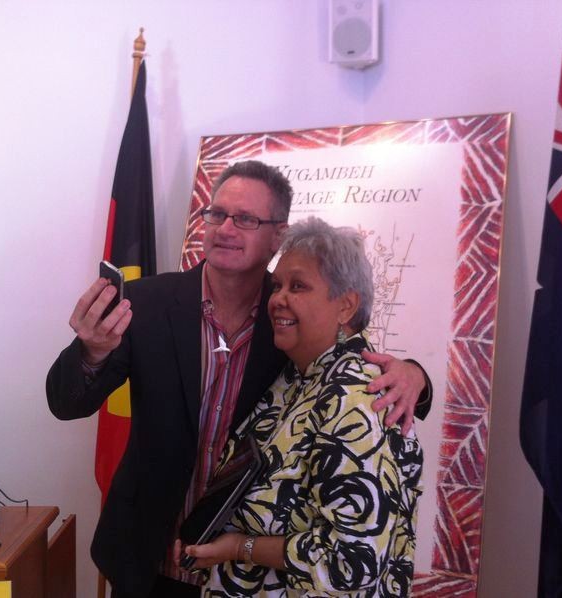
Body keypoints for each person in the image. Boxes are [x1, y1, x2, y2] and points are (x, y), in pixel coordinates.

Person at [46, 160, 431, 598]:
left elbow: (351, 366)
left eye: (246, 219)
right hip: (147, 559)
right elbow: (66, 402)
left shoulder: (290, 315)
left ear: (278, 236)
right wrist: (92, 352)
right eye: (217, 213)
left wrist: (415, 373)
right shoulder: (145, 303)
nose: (225, 228)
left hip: (238, 574)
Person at [180, 217, 423, 597]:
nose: (277, 299)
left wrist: (240, 547)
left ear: (346, 306)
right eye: (277, 286)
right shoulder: (296, 377)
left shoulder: (358, 398)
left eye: (298, 286)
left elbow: (351, 562)